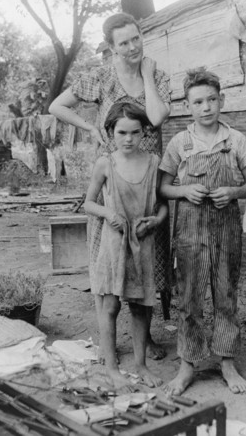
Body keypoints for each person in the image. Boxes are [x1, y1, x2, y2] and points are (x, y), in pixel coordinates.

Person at [49, 12, 171, 361]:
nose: (132, 47)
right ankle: (108, 343)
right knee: (110, 258)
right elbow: (56, 105)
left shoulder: (157, 76)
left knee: (147, 258)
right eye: (124, 43)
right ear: (111, 47)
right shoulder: (100, 77)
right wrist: (89, 128)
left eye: (136, 38)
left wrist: (144, 74)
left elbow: (158, 117)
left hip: (148, 180)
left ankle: (143, 340)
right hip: (113, 180)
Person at [159, 67, 246, 395]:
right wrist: (184, 191)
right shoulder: (180, 143)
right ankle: (187, 365)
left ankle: (227, 361)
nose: (206, 107)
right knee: (189, 298)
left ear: (221, 100)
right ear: (188, 106)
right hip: (189, 232)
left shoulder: (236, 140)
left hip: (226, 229)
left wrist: (232, 192)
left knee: (225, 294)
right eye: (198, 101)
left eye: (212, 100)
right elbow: (163, 188)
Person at [84, 102, 168, 391]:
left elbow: (163, 207)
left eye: (135, 132)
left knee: (141, 307)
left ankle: (141, 365)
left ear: (144, 132)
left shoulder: (154, 162)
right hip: (113, 243)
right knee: (110, 304)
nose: (128, 139)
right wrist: (109, 213)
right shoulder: (106, 163)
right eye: (122, 133)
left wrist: (155, 222)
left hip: (142, 243)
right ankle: (112, 369)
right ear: (110, 132)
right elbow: (88, 203)